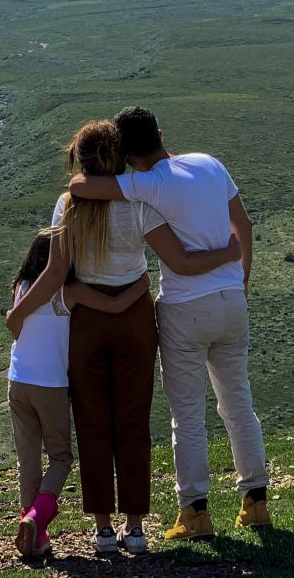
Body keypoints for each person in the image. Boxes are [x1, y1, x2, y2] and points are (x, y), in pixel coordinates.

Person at [7, 120, 242, 555]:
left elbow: (56, 271)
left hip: (88, 322)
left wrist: (19, 312)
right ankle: (135, 527)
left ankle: (102, 529)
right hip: (134, 316)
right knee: (133, 421)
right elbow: (177, 257)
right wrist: (227, 254)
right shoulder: (138, 198)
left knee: (93, 422)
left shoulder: (68, 203)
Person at [67, 106, 270, 541]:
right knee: (238, 404)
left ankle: (195, 512)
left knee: (189, 415)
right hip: (232, 300)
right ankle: (256, 501)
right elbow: (244, 224)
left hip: (184, 308)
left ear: (128, 153)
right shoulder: (209, 163)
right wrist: (241, 278)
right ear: (161, 133)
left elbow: (81, 185)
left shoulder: (146, 185)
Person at [6, 230, 150, 558]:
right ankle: (36, 518)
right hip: (51, 386)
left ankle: (35, 538)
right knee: (60, 457)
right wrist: (142, 285)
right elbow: (114, 305)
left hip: (17, 383)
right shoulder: (68, 292)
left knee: (27, 461)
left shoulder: (20, 289)